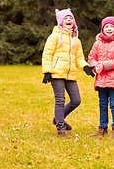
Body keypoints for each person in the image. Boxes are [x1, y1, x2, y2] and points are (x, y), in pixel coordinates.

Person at [42, 8, 95, 137]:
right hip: (56, 73)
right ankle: (61, 129)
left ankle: (58, 118)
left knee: (76, 100)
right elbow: (47, 54)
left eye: (70, 18)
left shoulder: (76, 40)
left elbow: (79, 58)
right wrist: (47, 72)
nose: (69, 20)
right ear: (60, 21)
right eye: (65, 18)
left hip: (70, 74)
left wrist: (86, 67)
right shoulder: (54, 36)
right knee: (60, 100)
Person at [88, 16, 114, 137]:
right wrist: (95, 65)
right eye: (106, 26)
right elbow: (91, 58)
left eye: (112, 27)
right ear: (102, 29)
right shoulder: (97, 44)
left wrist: (103, 65)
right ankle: (102, 128)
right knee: (102, 104)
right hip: (101, 80)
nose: (109, 29)